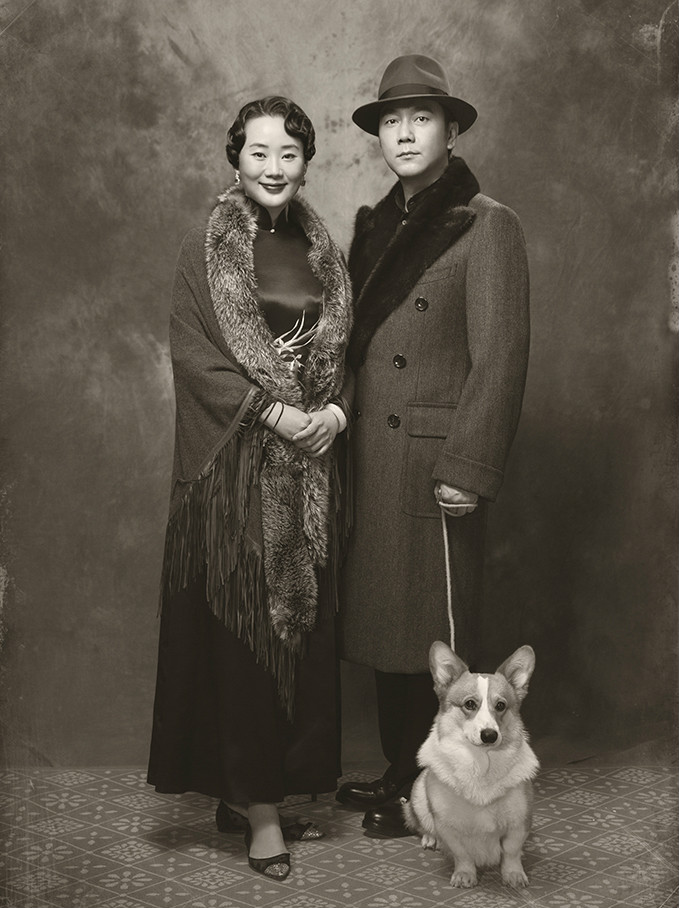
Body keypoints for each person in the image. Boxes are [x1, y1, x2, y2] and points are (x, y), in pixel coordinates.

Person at [147, 96, 353, 880]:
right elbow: (191, 354)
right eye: (258, 152)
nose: (273, 167)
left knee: (297, 636)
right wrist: (270, 412)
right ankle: (259, 809)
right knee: (244, 642)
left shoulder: (323, 249)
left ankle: (256, 791)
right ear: (235, 158)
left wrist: (331, 413)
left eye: (288, 154)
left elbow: (347, 353)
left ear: (306, 163)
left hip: (307, 474)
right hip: (233, 475)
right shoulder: (206, 247)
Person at [337, 55, 530, 837]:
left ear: (451, 131)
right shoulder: (372, 228)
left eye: (421, 118)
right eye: (391, 120)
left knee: (437, 635)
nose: (405, 132)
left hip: (432, 462)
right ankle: (402, 774)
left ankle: (442, 793)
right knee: (391, 632)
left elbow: (500, 356)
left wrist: (467, 465)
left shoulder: (487, 222)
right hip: (371, 461)